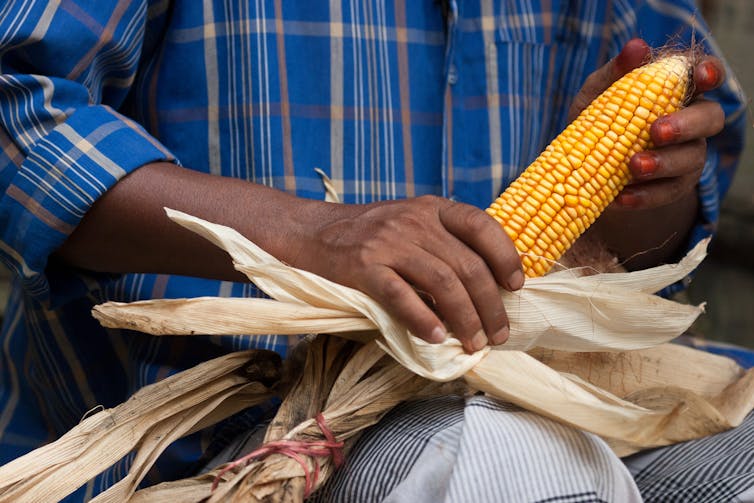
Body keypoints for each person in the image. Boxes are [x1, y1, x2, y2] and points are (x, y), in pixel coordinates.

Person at [0, 0, 747, 500]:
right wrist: (304, 232)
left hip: (543, 390)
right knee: (502, 467)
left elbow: (652, 259)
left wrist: (636, 195)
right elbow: (15, 104)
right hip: (240, 433)